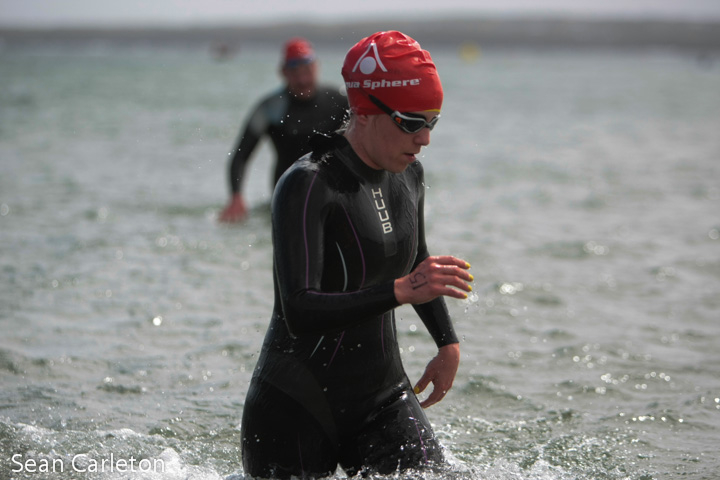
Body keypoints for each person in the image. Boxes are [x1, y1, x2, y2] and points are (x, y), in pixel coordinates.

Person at [240, 31, 473, 478]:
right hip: (295, 406)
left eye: (432, 121)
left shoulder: (409, 175)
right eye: (411, 122)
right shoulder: (308, 184)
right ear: (365, 111)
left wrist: (447, 343)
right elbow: (300, 309)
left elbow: (417, 260)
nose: (425, 138)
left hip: (383, 398)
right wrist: (400, 291)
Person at [219, 37, 349, 222]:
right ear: (283, 72)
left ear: (316, 67)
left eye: (307, 70)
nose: (302, 79)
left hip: (333, 193)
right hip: (287, 197)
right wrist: (236, 196)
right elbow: (241, 155)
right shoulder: (270, 109)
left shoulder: (339, 101)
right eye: (295, 73)